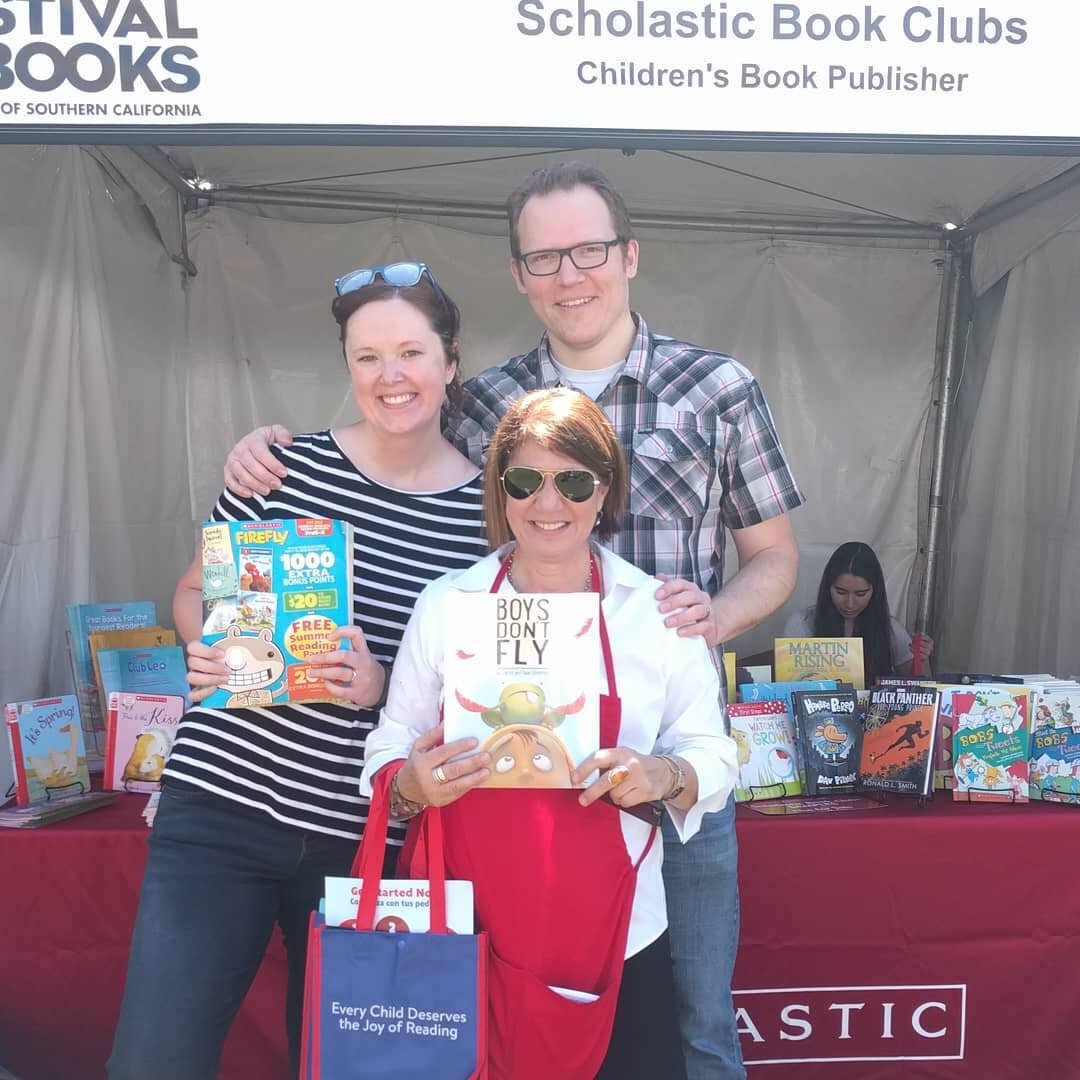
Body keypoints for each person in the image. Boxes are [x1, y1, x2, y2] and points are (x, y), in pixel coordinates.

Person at [223, 161, 805, 1079]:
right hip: (510, 811)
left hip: (658, 758)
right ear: (520, 274)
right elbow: (391, 421)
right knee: (493, 1026)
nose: (571, 273)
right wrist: (273, 452)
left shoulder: (717, 387)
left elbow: (774, 557)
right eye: (546, 256)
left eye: (590, 250)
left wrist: (704, 618)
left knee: (688, 1023)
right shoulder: (481, 400)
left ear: (629, 256)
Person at [108, 263, 488, 1080]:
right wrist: (204, 645)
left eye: (412, 353)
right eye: (366, 357)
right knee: (155, 1057)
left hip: (366, 838)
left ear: (450, 362)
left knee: (345, 1066)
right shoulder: (285, 469)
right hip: (222, 808)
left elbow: (480, 683)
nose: (390, 377)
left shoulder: (484, 516)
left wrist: (384, 684)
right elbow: (188, 596)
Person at [362, 388, 739, 1079]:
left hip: (622, 934)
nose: (547, 503)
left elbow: (713, 751)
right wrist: (410, 784)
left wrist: (667, 776)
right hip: (466, 933)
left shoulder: (657, 613)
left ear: (605, 492)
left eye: (572, 481)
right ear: (499, 491)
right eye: (525, 481)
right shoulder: (449, 605)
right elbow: (389, 744)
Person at [783, 541, 934, 683]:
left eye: (860, 594)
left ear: (875, 592)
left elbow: (920, 687)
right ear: (827, 587)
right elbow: (788, 686)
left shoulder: (889, 628)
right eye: (840, 592)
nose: (850, 604)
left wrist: (922, 659)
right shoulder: (801, 624)